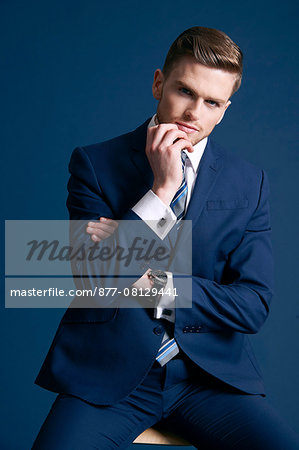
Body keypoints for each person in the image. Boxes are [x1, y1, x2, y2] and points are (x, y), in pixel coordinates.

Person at [32, 27, 299, 449]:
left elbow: (253, 304)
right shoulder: (96, 164)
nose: (194, 112)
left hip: (210, 380)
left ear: (224, 110)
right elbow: (94, 277)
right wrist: (161, 189)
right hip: (108, 378)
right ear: (159, 83)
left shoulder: (249, 184)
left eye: (211, 102)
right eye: (184, 91)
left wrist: (159, 287)